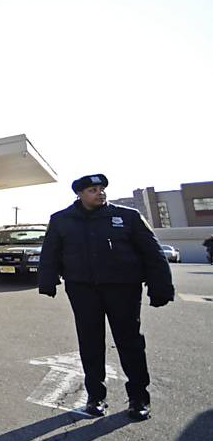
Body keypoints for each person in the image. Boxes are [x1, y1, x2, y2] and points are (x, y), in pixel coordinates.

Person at [38, 174, 174, 421]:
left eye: (102, 189)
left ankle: (138, 398)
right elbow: (50, 253)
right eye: (93, 189)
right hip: (82, 290)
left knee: (130, 342)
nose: (100, 193)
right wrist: (47, 281)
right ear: (79, 194)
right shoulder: (61, 220)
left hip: (123, 289)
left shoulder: (128, 217)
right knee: (90, 343)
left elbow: (152, 253)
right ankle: (95, 397)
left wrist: (161, 286)